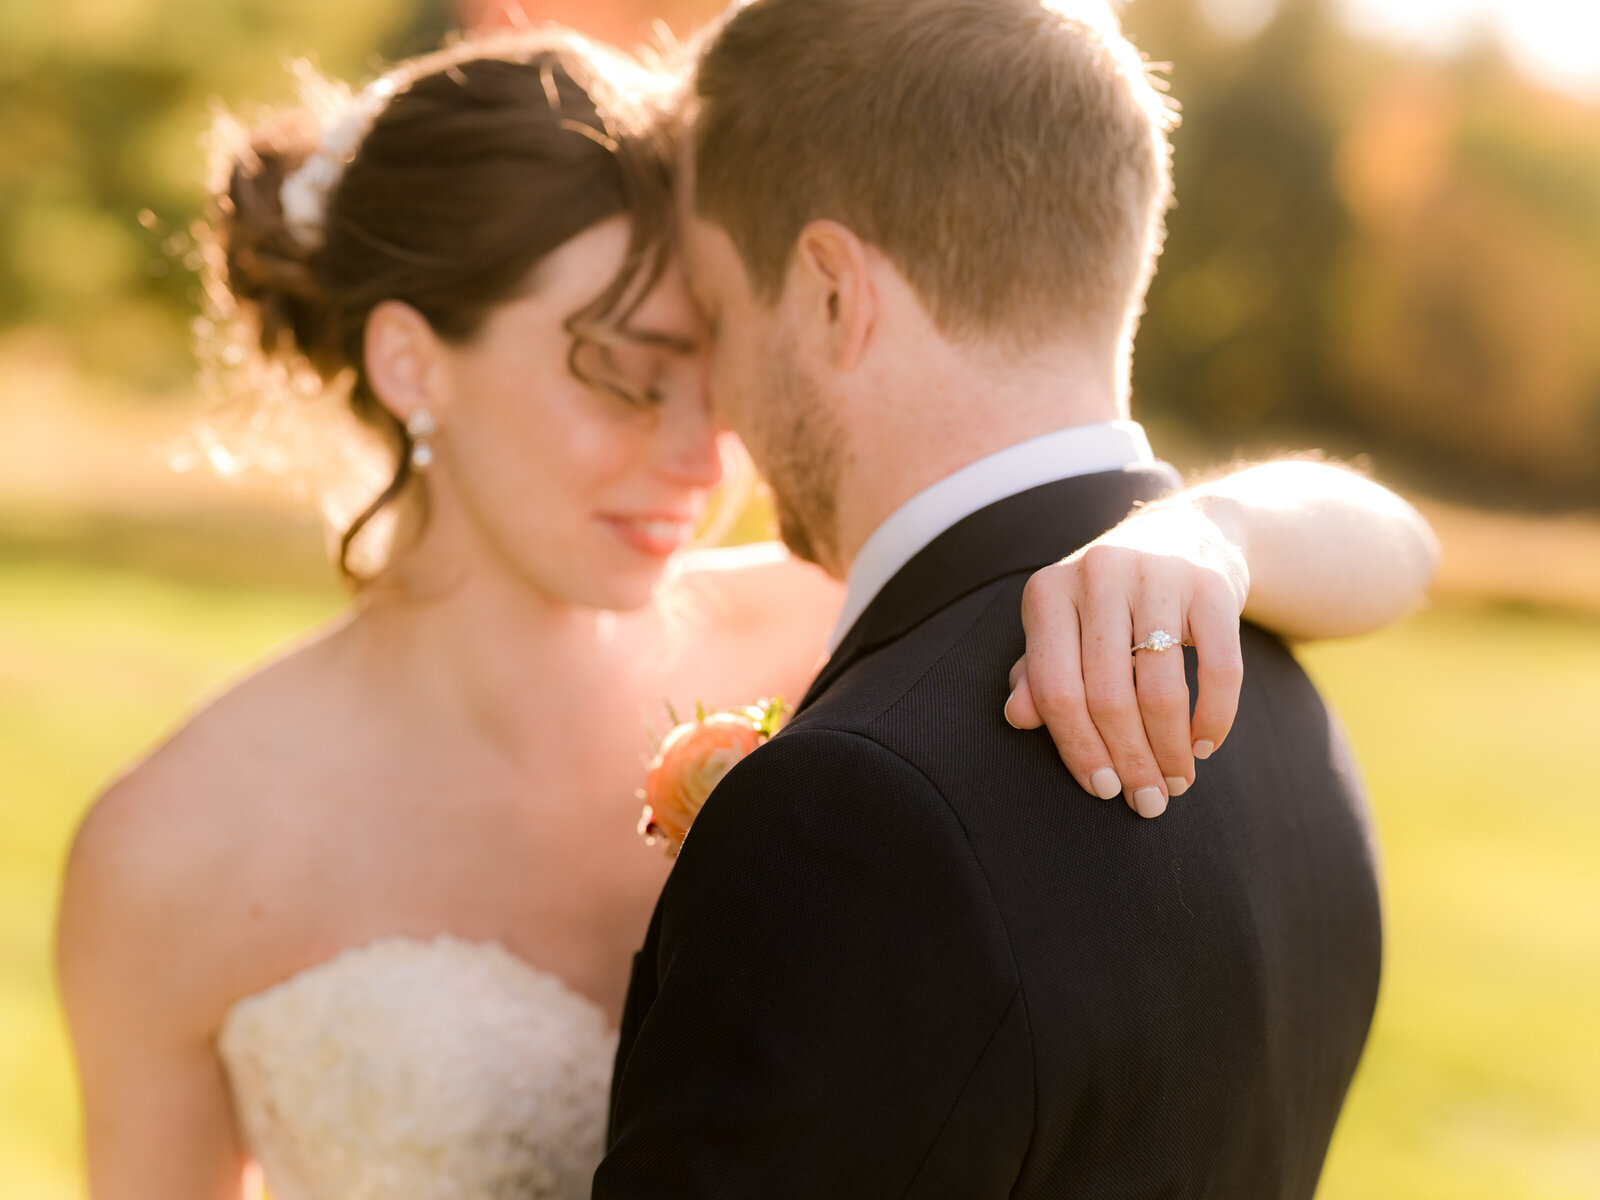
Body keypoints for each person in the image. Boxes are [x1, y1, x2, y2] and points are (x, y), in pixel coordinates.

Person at [54, 23, 1435, 1200]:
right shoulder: (173, 849)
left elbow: (1389, 545)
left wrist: (1214, 530)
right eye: (625, 372)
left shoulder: (847, 646)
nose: (701, 453)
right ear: (414, 362)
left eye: (713, 370)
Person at [597, 2, 1415, 1197]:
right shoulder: (1271, 681)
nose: (715, 403)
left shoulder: (848, 818)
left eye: (720, 316)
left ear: (830, 292)